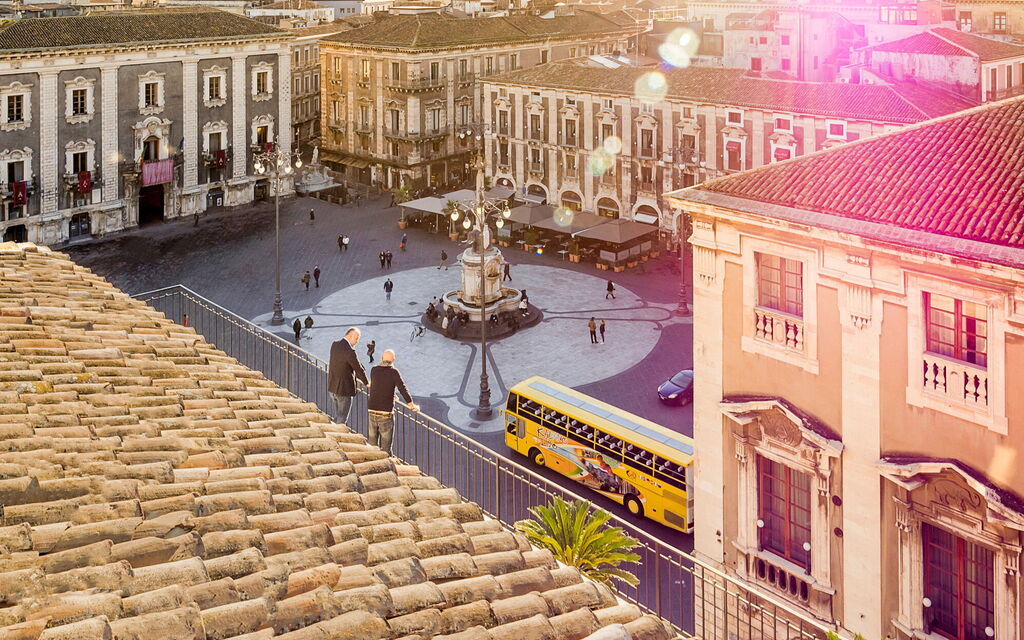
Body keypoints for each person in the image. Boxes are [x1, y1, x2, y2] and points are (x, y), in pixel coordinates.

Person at [367, 349, 418, 454]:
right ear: (394, 360)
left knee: (372, 445)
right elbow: (402, 388)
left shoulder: (374, 370)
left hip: (372, 410)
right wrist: (412, 405)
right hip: (385, 413)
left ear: (381, 358)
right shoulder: (394, 372)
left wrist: (390, 393)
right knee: (385, 448)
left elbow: (379, 383)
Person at [327, 327, 367, 424]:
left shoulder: (335, 344)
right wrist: (367, 383)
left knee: (337, 415)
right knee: (342, 419)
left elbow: (346, 361)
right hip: (343, 391)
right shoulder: (350, 351)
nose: (357, 341)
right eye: (357, 338)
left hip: (332, 387)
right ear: (350, 335)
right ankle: (338, 436)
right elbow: (359, 370)